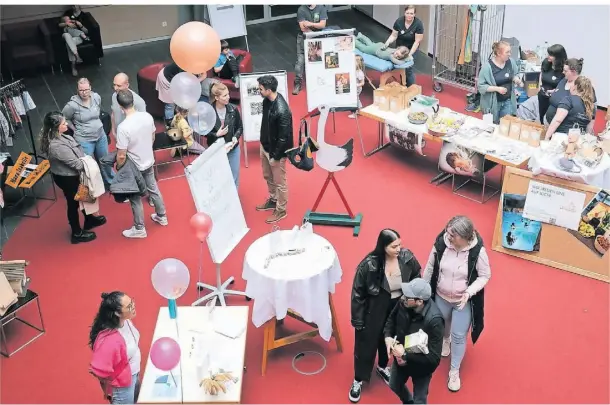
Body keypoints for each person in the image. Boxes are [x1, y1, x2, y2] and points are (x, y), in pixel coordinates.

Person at [349, 229, 422, 403]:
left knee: (390, 339)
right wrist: (358, 319)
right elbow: (357, 293)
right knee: (366, 344)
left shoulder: (407, 258)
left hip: (398, 307)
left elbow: (417, 277)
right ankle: (358, 379)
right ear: (384, 247)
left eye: (400, 245)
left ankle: (382, 366)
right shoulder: (369, 265)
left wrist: (412, 301)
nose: (399, 249)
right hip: (374, 310)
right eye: (394, 246)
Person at [423, 216, 491, 392]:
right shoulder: (441, 244)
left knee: (459, 335)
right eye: (448, 232)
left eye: (453, 235)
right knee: (442, 325)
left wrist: (469, 293)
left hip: (463, 301)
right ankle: (446, 340)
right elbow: (430, 267)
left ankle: (454, 370)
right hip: (441, 295)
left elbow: (485, 275)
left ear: (465, 237)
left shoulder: (478, 252)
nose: (449, 237)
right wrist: (424, 290)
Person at [41, 111, 106, 244]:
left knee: (84, 195)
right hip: (68, 178)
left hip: (72, 175)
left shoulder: (59, 136)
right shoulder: (56, 146)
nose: (67, 124)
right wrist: (90, 163)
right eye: (63, 123)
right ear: (55, 127)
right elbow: (76, 164)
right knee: (73, 203)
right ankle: (76, 232)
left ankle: (89, 220)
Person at [115, 89, 168, 238]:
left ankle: (139, 228)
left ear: (120, 106)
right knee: (153, 189)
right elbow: (152, 137)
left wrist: (119, 166)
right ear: (133, 101)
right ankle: (162, 216)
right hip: (148, 160)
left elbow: (121, 154)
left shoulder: (123, 128)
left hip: (133, 166)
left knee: (135, 197)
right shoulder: (147, 116)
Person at [383, 278, 445, 404]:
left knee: (420, 401)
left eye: (408, 296)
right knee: (394, 384)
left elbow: (434, 358)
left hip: (421, 368)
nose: (403, 297)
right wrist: (388, 337)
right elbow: (391, 320)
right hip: (400, 362)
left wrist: (405, 355)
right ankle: (408, 401)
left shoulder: (435, 321)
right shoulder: (404, 302)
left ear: (419, 301)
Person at [89, 291, 141, 404]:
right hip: (123, 385)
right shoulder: (108, 340)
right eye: (129, 306)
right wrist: (110, 387)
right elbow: (99, 371)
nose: (133, 307)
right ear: (117, 313)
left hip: (135, 374)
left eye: (132, 302)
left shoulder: (126, 322)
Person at [62, 78, 115, 187]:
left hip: (100, 135)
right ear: (77, 90)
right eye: (81, 90)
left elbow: (98, 111)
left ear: (90, 88)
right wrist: (74, 128)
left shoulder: (96, 97)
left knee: (105, 161)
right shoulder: (72, 105)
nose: (84, 93)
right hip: (84, 139)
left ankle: (110, 182)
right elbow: (64, 118)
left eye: (87, 90)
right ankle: (92, 186)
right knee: (88, 166)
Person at [255, 75, 293, 224]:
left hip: (276, 152)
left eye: (260, 89)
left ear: (269, 90)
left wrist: (275, 156)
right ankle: (273, 199)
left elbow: (284, 137)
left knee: (280, 182)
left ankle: (281, 209)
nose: (259, 91)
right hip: (265, 146)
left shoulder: (282, 110)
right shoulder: (267, 101)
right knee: (267, 176)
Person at [544, 58, 596, 130]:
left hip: (564, 130)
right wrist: (553, 91)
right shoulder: (564, 80)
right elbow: (559, 91)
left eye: (565, 71)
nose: (563, 72)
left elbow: (591, 112)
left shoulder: (583, 87)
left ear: (573, 72)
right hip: (549, 123)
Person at [477, 41, 523, 124]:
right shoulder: (487, 67)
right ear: (498, 53)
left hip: (507, 100)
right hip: (492, 103)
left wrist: (516, 79)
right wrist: (497, 89)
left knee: (506, 124)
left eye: (510, 51)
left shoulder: (511, 62)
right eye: (507, 52)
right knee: (492, 125)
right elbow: (481, 86)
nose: (510, 54)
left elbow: (516, 73)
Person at [207, 82, 243, 188]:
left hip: (232, 147)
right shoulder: (209, 111)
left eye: (228, 94)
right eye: (225, 95)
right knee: (218, 177)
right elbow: (203, 132)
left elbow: (240, 127)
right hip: (216, 149)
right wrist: (216, 134)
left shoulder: (233, 109)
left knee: (234, 177)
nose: (228, 97)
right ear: (217, 98)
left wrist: (235, 137)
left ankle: (233, 202)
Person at [381, 5, 424, 86]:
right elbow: (394, 35)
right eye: (407, 13)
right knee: (399, 66)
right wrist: (387, 43)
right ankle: (402, 85)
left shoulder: (418, 24)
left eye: (411, 13)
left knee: (408, 68)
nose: (409, 15)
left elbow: (417, 42)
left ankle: (412, 88)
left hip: (412, 48)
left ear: (414, 14)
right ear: (404, 13)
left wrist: (410, 55)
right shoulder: (399, 21)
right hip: (399, 48)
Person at [293, 5, 328, 95]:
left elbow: (322, 25)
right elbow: (303, 28)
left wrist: (310, 24)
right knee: (300, 62)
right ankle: (297, 83)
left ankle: (319, 83)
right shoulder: (301, 9)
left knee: (318, 60)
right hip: (303, 38)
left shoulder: (321, 8)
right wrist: (314, 30)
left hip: (318, 38)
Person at [538, 44, 568, 123]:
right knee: (541, 116)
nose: (548, 56)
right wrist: (539, 87)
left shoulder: (563, 69)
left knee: (551, 119)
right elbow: (541, 74)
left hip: (554, 99)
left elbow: (565, 85)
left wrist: (555, 91)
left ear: (558, 57)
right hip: (542, 96)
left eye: (551, 55)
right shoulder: (546, 62)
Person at [111, 73, 147, 138]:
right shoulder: (114, 95)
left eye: (119, 86)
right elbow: (113, 113)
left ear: (127, 85)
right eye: (114, 85)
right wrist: (113, 131)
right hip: (119, 134)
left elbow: (143, 124)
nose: (115, 88)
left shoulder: (139, 102)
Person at [58, 6, 89, 77]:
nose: (74, 6)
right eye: (73, 5)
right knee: (66, 35)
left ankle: (73, 66)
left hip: (78, 37)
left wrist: (80, 25)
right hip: (67, 34)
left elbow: (86, 31)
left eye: (76, 4)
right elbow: (59, 24)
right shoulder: (68, 13)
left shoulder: (83, 16)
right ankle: (77, 57)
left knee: (68, 43)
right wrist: (67, 24)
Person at [155, 62, 184, 127]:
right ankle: (169, 125)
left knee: (175, 102)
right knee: (170, 105)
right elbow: (185, 82)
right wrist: (201, 78)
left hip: (174, 78)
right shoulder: (185, 67)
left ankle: (174, 120)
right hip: (167, 80)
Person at [349, 54, 367, 119]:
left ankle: (354, 114)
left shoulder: (360, 73)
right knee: (357, 99)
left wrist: (356, 85)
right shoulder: (354, 70)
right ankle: (360, 110)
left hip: (357, 89)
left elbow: (362, 83)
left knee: (354, 101)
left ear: (358, 63)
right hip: (354, 88)